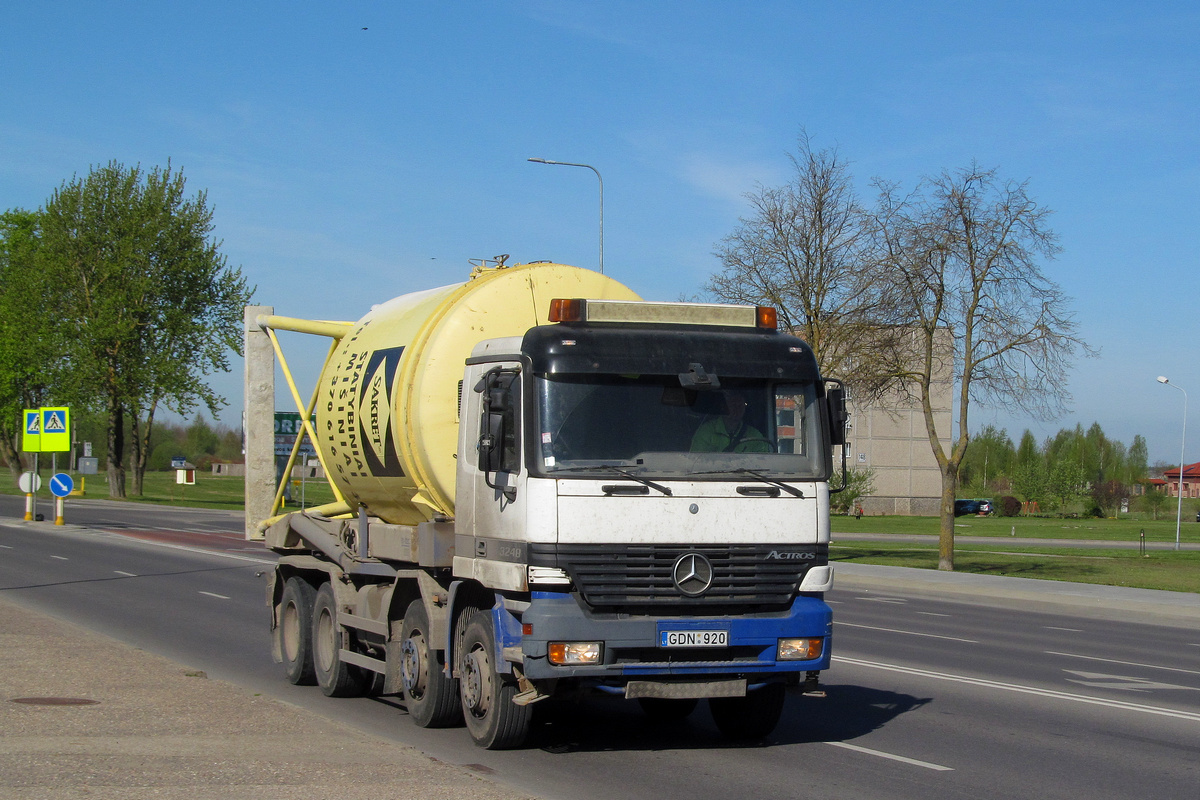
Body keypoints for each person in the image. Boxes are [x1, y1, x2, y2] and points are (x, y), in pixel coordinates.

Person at [690, 391, 770, 453]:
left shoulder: (754, 435)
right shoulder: (706, 431)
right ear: (724, 407)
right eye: (733, 405)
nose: (737, 409)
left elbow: (763, 461)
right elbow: (696, 461)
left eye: (740, 405)